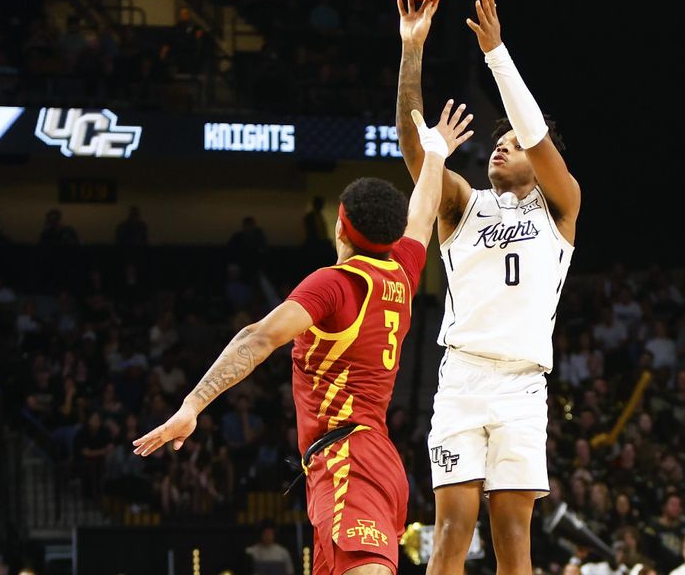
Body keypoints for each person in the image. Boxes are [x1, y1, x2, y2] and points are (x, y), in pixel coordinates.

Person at [133, 99, 474, 575]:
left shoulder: (334, 283)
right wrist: (435, 155)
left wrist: (192, 405)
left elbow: (256, 339)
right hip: (371, 456)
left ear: (340, 224)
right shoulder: (404, 269)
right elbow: (421, 212)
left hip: (348, 458)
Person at [395, 0, 581, 575]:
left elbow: (536, 136)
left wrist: (497, 55)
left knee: (513, 541)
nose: (500, 148)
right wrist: (412, 51)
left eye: (512, 145)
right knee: (450, 534)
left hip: (524, 387)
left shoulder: (560, 208)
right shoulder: (462, 206)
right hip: (463, 379)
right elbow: (413, 147)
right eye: (495, 144)